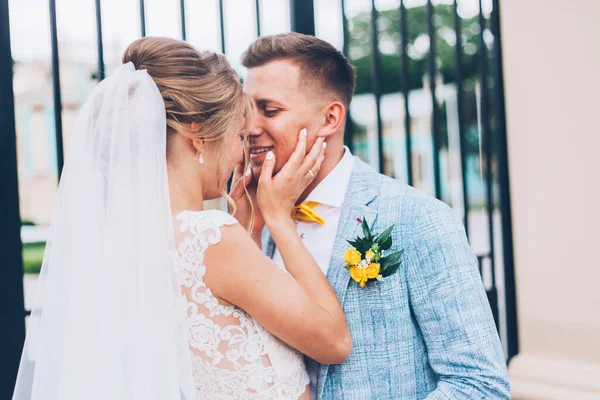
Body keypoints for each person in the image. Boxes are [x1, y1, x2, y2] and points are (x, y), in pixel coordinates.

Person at [12, 37, 351, 400]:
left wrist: (251, 228)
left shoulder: (121, 239)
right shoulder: (211, 237)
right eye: (238, 134)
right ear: (198, 133)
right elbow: (334, 342)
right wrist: (278, 217)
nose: (242, 152)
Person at [240, 32, 511, 399]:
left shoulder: (419, 219)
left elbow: (480, 385)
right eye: (246, 111)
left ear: (330, 118)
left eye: (269, 110)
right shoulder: (256, 221)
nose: (250, 128)